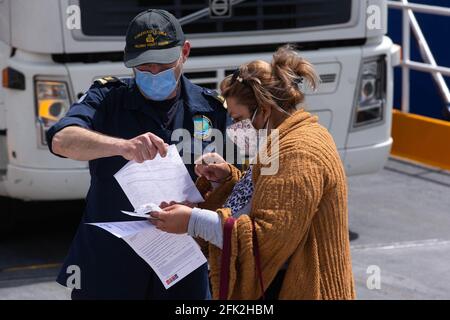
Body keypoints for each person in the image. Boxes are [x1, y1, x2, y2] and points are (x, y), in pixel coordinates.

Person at [46, 9, 229, 299]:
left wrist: (222, 176)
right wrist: (122, 146)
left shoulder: (212, 109)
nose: (154, 72)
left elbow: (245, 182)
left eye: (162, 63)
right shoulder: (107, 98)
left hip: (183, 265)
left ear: (185, 52)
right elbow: (61, 140)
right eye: (143, 66)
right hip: (112, 263)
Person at [150, 45, 356, 300]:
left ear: (265, 109)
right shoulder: (284, 141)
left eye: (238, 119)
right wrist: (225, 180)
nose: (234, 128)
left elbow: (267, 237)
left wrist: (192, 221)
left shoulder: (299, 152)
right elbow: (266, 196)